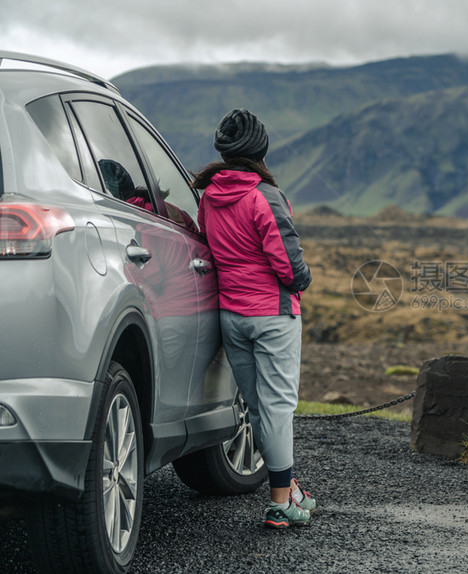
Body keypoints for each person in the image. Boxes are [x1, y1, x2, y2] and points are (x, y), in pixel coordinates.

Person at [192, 108, 315, 529]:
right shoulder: (265, 196)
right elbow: (288, 263)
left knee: (260, 409)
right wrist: (303, 279)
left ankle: (290, 487)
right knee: (278, 406)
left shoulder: (209, 197)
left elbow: (208, 245)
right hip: (273, 316)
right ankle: (281, 504)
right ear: (261, 149)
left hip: (232, 318)